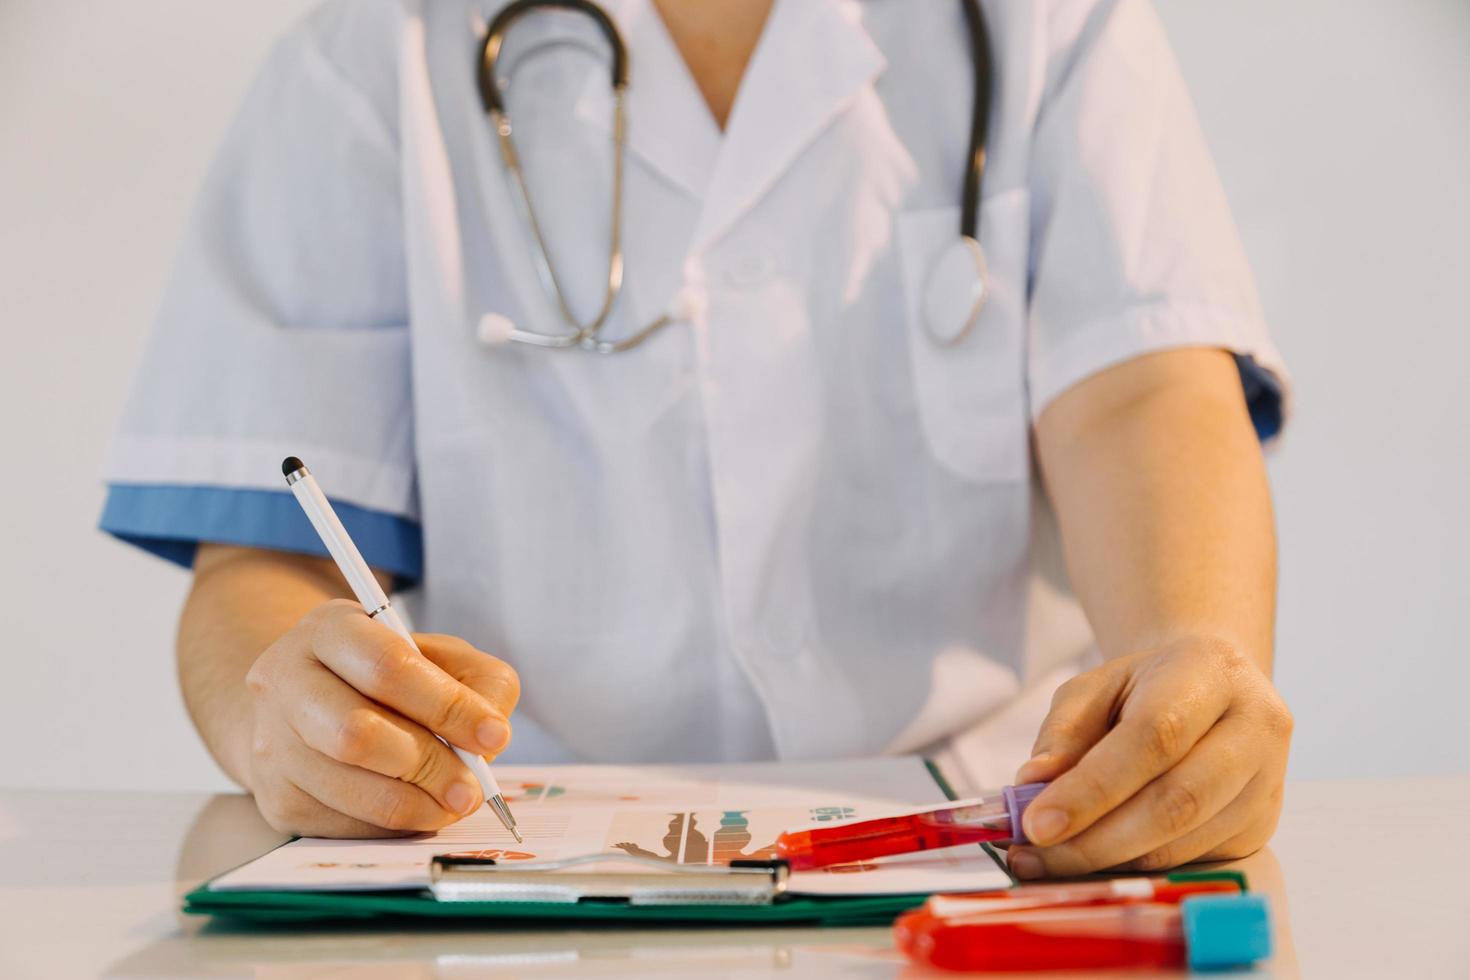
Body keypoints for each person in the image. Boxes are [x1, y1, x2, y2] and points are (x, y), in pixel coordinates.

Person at [100, 0, 1293, 880]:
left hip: (1001, 834)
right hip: (528, 858)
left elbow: (1143, 392)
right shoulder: (374, 60)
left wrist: (1190, 665)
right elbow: (263, 561)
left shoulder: (1055, 25)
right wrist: (289, 724)